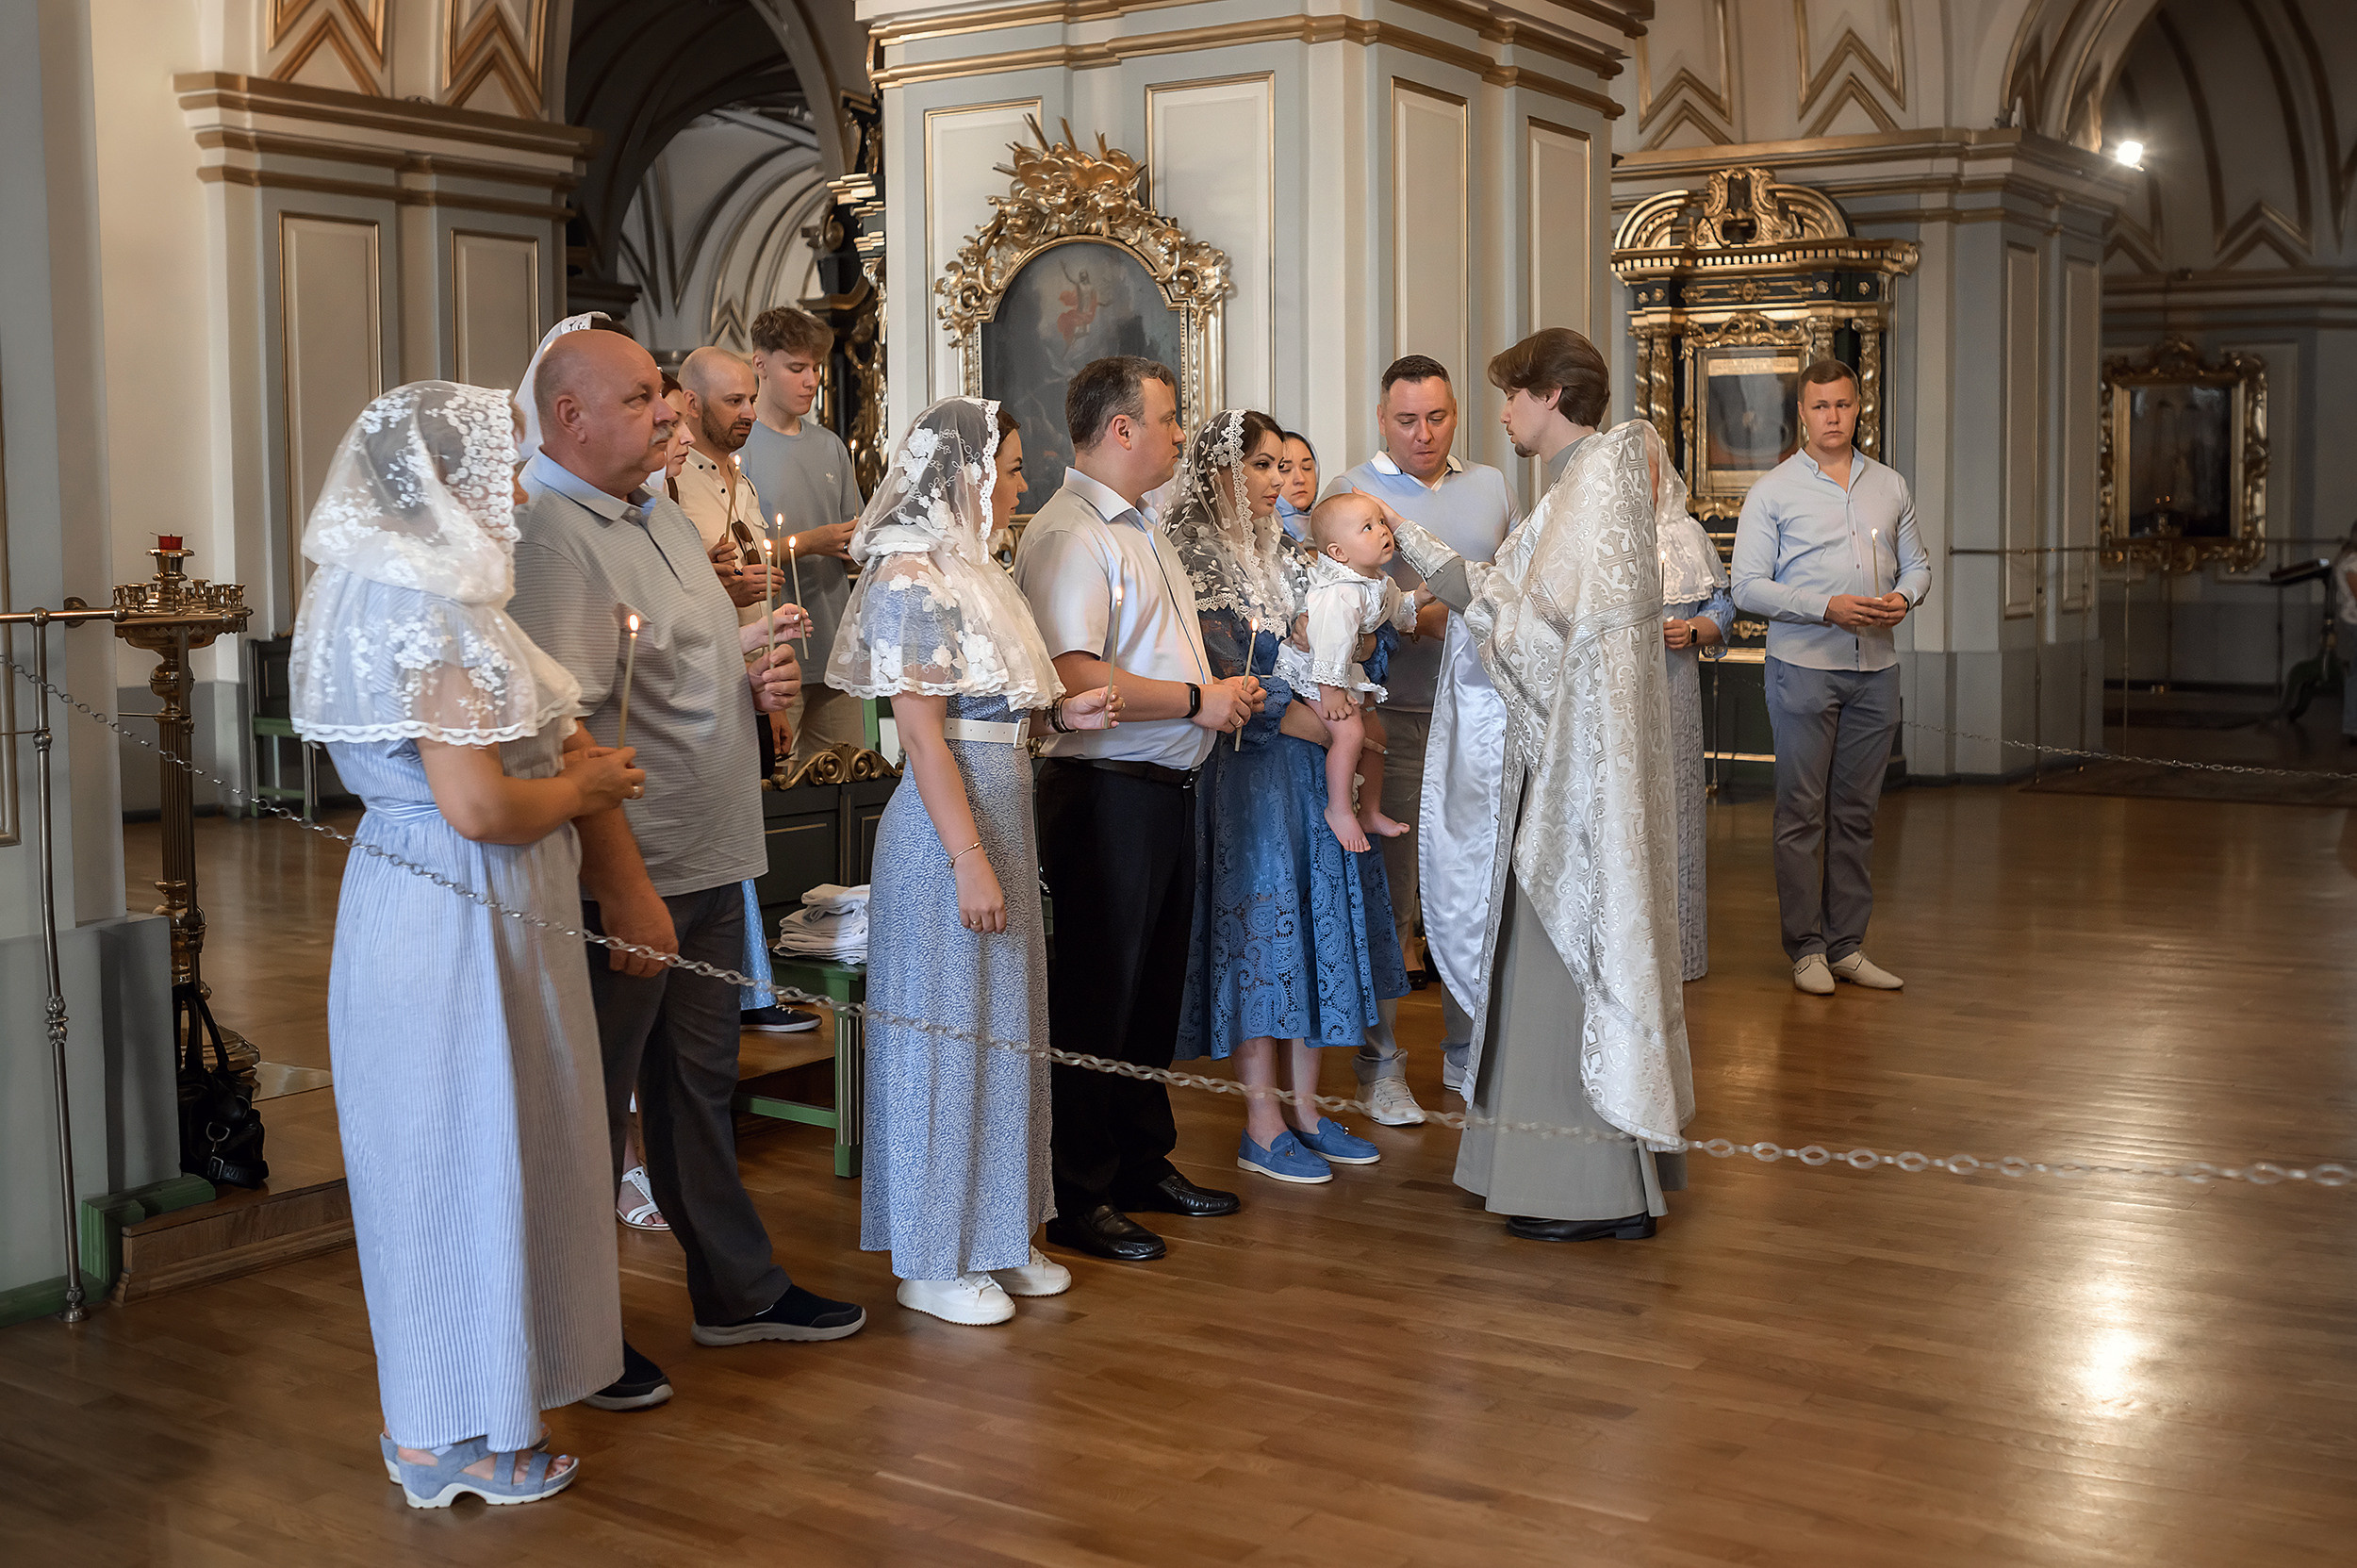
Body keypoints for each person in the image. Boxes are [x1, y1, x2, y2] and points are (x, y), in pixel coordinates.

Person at [290, 380, 644, 1506]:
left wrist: (577, 787)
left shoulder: (445, 591)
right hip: (452, 907)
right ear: (443, 480)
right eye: (500, 470)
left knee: (496, 1147)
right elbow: (480, 806)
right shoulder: (423, 602)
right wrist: (585, 789)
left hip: (474, 904)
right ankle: (440, 1433)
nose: (516, 494)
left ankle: (487, 1406)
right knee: (453, 1156)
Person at [510, 328, 865, 1411]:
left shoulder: (654, 508)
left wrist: (752, 679)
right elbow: (569, 731)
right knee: (590, 1108)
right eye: (639, 398)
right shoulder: (549, 535)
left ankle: (735, 1291)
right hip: (635, 870)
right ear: (568, 416)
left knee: (697, 1090)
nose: (666, 412)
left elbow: (668, 663)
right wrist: (623, 886)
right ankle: (574, 1332)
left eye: (662, 396)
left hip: (709, 854)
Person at [1389, 328, 1694, 1244]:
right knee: (1542, 964)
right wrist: (1429, 554)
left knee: (1563, 970)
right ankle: (1549, 1169)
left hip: (1578, 781)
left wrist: (1420, 555)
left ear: (1551, 395)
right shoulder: (1580, 485)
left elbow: (1536, 637)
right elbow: (1523, 602)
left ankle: (1584, 1188)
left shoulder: (1593, 485)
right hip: (1570, 766)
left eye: (1512, 395)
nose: (1503, 414)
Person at [832, 397, 1121, 1323]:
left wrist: (1063, 712)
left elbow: (995, 709)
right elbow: (922, 738)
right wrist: (967, 856)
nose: (1020, 482)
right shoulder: (909, 575)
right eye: (1010, 465)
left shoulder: (977, 570)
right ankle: (928, 1255)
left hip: (1002, 816)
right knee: (943, 1040)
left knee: (1003, 1034)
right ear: (966, 473)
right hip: (943, 833)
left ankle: (997, 1232)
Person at [1011, 355, 1263, 1262]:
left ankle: (1138, 1162)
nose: (1181, 435)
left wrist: (1213, 695)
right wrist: (1198, 700)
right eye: (1168, 418)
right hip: (1105, 792)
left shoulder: (1141, 523)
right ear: (1121, 429)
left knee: (1149, 994)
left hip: (1161, 787)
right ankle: (1079, 1192)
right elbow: (1075, 674)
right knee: (1098, 996)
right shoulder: (1070, 532)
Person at [1170, 408, 1404, 1184]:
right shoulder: (1193, 555)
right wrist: (1318, 719)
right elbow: (1221, 670)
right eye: (1263, 465)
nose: (1280, 480)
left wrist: (1351, 650)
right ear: (1221, 471)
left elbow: (1364, 633)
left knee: (1311, 932)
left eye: (1283, 465)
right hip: (1251, 770)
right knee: (1263, 941)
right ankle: (1261, 1122)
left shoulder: (1293, 550)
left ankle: (1306, 1111)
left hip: (1313, 771)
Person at [1323, 355, 1517, 1124]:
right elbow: (1337, 608)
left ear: (1455, 413)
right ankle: (1380, 1065)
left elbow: (1505, 591)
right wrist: (1423, 616)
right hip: (1393, 717)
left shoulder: (1492, 485)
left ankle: (1469, 1050)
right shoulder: (1351, 491)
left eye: (1437, 417)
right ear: (1382, 419)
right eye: (1406, 420)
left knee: (1477, 892)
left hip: (1483, 715)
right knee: (1393, 895)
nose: (1424, 433)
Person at [1731, 358, 1931, 996]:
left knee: (1858, 813)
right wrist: (1825, 607)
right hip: (1802, 668)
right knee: (1800, 812)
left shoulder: (1890, 485)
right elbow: (1746, 587)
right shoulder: (1773, 492)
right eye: (1820, 407)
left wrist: (1903, 597)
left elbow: (1918, 566)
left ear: (1857, 406)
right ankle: (1806, 948)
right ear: (1803, 414)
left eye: (1842, 404)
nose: (1833, 417)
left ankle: (1846, 945)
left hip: (1876, 670)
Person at [741, 306, 867, 768]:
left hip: (834, 643)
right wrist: (810, 542)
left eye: (815, 368)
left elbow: (855, 540)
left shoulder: (829, 445)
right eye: (796, 368)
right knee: (779, 782)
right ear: (760, 364)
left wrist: (861, 546)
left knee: (849, 776)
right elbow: (737, 556)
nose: (811, 380)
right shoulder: (742, 445)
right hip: (774, 651)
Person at [1294, 492, 1420, 852]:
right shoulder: (1340, 593)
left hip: (1343, 671)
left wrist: (1418, 600)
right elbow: (1329, 643)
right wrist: (1330, 692)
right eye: (1367, 527)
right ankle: (1338, 809)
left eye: (1380, 522)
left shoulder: (1375, 580)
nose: (1382, 531)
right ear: (1338, 552)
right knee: (1349, 734)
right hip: (1316, 674)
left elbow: (1394, 612)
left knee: (1376, 733)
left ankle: (1370, 811)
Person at [1275, 429, 1320, 540]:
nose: (1300, 479)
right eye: (1285, 469)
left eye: (1307, 467)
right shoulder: (1261, 536)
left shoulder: (1329, 529)